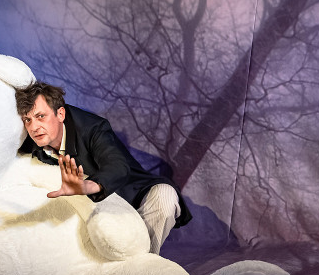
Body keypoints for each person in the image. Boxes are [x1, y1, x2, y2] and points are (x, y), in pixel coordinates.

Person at [16, 82, 191, 254]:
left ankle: (143, 264)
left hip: (131, 194)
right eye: (27, 120)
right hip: (93, 215)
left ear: (60, 113)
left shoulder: (93, 128)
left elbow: (118, 167)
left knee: (165, 197)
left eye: (41, 116)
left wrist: (86, 186)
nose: (34, 127)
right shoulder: (26, 140)